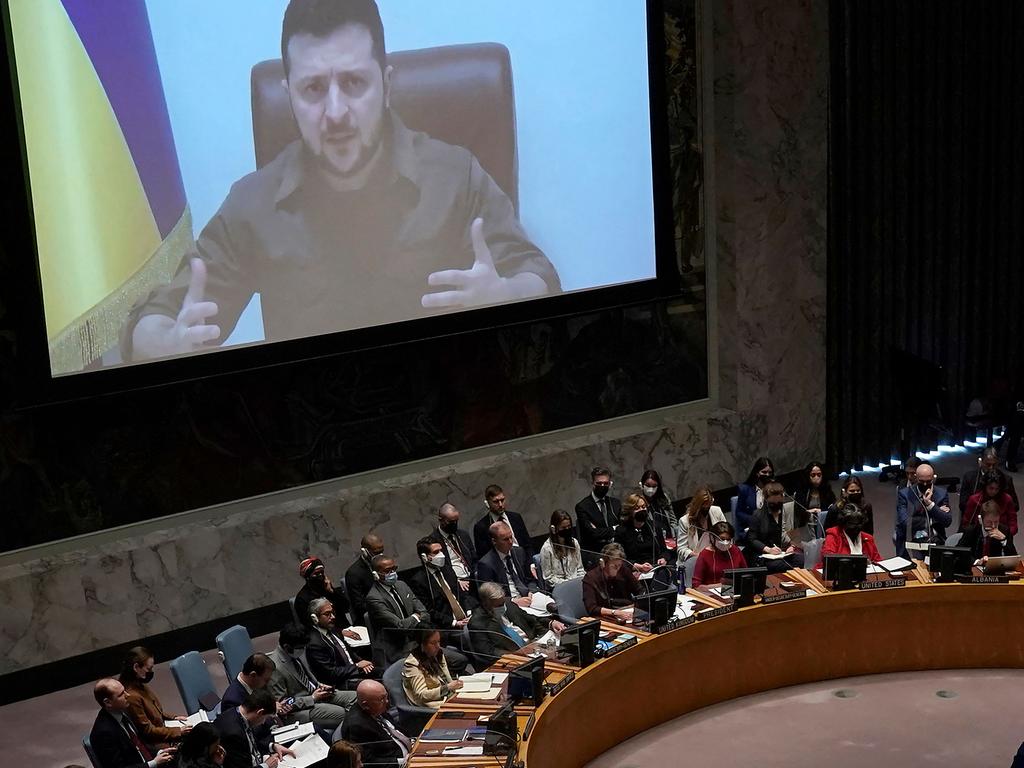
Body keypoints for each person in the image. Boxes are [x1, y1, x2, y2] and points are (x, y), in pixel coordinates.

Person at [125, 0, 560, 362]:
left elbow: (537, 275)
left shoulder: (455, 177)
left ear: (387, 85)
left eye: (354, 83)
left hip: (442, 411)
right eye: (313, 89)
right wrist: (162, 343)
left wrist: (507, 296)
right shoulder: (252, 204)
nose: (335, 113)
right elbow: (157, 319)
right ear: (289, 94)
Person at [266, 623, 354, 731]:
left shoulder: (297, 651)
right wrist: (312, 698)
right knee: (342, 713)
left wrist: (319, 685)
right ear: (287, 647)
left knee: (356, 697)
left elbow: (307, 678)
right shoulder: (274, 667)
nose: (303, 650)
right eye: (300, 647)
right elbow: (282, 705)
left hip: (317, 693)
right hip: (301, 711)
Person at [468, 582, 565, 666]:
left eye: (503, 602)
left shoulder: (508, 604)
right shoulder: (477, 624)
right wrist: (519, 653)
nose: (503, 606)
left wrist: (551, 622)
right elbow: (489, 654)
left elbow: (531, 619)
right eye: (499, 605)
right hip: (516, 660)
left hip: (536, 647)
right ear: (486, 604)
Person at [89, 678, 176, 768]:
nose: (128, 695)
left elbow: (139, 744)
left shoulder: (124, 711)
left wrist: (159, 753)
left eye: (125, 691)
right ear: (108, 702)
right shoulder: (103, 733)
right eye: (121, 694)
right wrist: (153, 763)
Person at [363, 554, 427, 665]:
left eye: (394, 569)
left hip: (417, 640)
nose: (392, 573)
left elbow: (425, 613)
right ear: (376, 575)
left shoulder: (402, 585)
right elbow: (400, 627)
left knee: (456, 660)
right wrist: (416, 616)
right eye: (388, 571)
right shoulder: (374, 598)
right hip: (396, 648)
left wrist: (415, 619)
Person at [118, 646, 188, 746]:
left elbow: (155, 712)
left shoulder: (138, 684)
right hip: (158, 743)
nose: (151, 672)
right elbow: (148, 731)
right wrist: (178, 731)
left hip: (162, 730)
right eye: (149, 668)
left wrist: (174, 717)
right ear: (136, 667)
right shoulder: (131, 696)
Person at [406, 537, 471, 637]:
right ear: (424, 557)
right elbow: (429, 611)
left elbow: (460, 594)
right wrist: (454, 623)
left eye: (441, 550)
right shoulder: (419, 581)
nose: (441, 555)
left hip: (467, 618)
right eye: (436, 552)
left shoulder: (447, 569)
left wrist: (469, 612)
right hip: (448, 627)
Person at [306, 598, 376, 689]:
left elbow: (348, 652)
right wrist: (357, 666)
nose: (333, 617)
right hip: (341, 682)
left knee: (386, 674)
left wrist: (361, 662)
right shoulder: (314, 644)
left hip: (354, 672)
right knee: (377, 687)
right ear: (315, 618)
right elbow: (331, 673)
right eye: (327, 614)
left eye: (332, 612)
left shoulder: (332, 629)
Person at [338, 680, 411, 768]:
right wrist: (401, 762)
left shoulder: (375, 706)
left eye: (386, 696)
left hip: (411, 752)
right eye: (382, 699)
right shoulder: (356, 726)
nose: (387, 701)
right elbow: (369, 762)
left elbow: (396, 730)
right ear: (366, 705)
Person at [213, 689, 293, 768]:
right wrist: (266, 766)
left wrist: (273, 746)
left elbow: (251, 743)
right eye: (265, 718)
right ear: (260, 712)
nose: (263, 722)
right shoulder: (233, 734)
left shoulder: (239, 714)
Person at [895, 462, 952, 560]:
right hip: (912, 540)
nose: (925, 484)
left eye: (928, 481)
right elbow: (905, 523)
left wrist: (930, 505)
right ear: (916, 477)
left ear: (933, 478)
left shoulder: (941, 494)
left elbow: (947, 521)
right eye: (921, 481)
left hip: (935, 540)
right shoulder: (905, 494)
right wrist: (933, 516)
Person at [476, 521, 541, 604]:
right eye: (505, 539)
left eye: (511, 537)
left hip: (529, 597)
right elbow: (490, 596)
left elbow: (530, 579)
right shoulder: (486, 564)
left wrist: (531, 592)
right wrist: (514, 602)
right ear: (494, 541)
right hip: (509, 604)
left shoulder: (519, 552)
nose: (510, 542)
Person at [746, 481, 804, 573]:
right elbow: (751, 539)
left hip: (781, 552)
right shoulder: (757, 515)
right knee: (777, 565)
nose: (777, 505)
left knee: (801, 560)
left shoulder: (786, 511)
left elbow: (793, 533)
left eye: (779, 502)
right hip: (763, 554)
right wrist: (768, 549)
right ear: (766, 499)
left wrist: (792, 546)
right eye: (773, 503)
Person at [428, 502, 478, 608]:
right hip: (455, 581)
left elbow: (474, 558)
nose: (454, 524)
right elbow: (439, 569)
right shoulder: (433, 542)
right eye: (451, 522)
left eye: (456, 521)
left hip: (472, 578)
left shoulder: (463, 535)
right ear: (441, 520)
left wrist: (476, 575)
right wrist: (456, 581)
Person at [401, 625, 463, 709]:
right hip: (433, 705)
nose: (438, 646)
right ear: (422, 645)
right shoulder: (412, 664)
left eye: (438, 642)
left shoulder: (437, 654)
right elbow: (421, 695)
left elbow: (446, 679)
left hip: (449, 696)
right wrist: (448, 687)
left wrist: (455, 688)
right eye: (433, 643)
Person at [472, 484, 534, 561]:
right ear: (487, 503)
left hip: (523, 560)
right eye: (496, 502)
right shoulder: (481, 527)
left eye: (502, 500)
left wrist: (531, 563)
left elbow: (527, 544)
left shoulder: (515, 517)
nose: (500, 505)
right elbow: (484, 555)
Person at [575, 467, 622, 566]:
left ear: (610, 484)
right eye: (599, 483)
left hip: (618, 549)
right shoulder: (582, 507)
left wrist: (601, 531)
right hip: (596, 552)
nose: (602, 486)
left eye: (605, 483)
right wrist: (614, 529)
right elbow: (592, 534)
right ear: (593, 483)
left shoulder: (615, 503)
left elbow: (623, 529)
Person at [582, 543, 640, 622]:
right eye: (614, 566)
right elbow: (592, 608)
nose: (617, 568)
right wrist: (615, 612)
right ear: (603, 563)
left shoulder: (623, 570)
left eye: (619, 565)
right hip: (604, 618)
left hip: (626, 613)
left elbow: (639, 589)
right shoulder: (591, 578)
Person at [221, 654, 291, 719]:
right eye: (266, 680)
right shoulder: (232, 700)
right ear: (253, 675)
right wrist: (271, 711)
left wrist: (277, 708)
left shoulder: (256, 686)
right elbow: (247, 729)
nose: (268, 683)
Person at [294, 556, 354, 632]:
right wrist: (340, 632)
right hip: (326, 635)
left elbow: (345, 606)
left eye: (321, 572)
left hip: (345, 627)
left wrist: (332, 592)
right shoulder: (302, 599)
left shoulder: (327, 588)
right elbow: (310, 625)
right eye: (316, 574)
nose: (320, 576)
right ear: (308, 577)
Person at [614, 493, 670, 571]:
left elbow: (664, 550)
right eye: (637, 508)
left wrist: (663, 558)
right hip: (635, 570)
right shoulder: (621, 531)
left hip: (655, 567)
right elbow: (619, 558)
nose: (642, 510)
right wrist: (636, 566)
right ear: (630, 511)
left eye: (643, 507)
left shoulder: (654, 526)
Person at [958, 447, 1019, 519]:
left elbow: (1015, 506)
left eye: (994, 465)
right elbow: (962, 505)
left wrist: (996, 509)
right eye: (988, 464)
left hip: (999, 520)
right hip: (975, 520)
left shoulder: (1006, 480)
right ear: (980, 462)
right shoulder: (969, 478)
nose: (991, 468)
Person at [676, 485, 726, 565]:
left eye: (708, 507)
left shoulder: (717, 511)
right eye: (704, 508)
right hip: (694, 561)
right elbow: (681, 548)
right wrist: (698, 556)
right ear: (697, 506)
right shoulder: (684, 521)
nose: (706, 511)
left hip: (716, 558)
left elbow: (726, 534)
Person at [818, 506, 882, 566]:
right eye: (852, 524)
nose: (856, 527)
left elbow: (878, 562)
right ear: (843, 523)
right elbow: (828, 558)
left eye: (859, 523)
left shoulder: (868, 538)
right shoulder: (834, 535)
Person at [691, 521, 747, 587]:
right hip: (710, 594)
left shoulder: (735, 550)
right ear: (712, 538)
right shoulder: (705, 554)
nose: (725, 542)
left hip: (734, 593)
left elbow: (745, 574)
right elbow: (696, 584)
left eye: (728, 539)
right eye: (722, 539)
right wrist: (720, 586)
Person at [962, 471, 1018, 536]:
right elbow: (966, 523)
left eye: (997, 489)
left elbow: (1013, 524)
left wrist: (1005, 535)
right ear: (985, 486)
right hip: (977, 537)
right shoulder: (974, 500)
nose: (994, 491)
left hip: (1002, 535)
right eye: (991, 488)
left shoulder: (1007, 499)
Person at [343, 534, 385, 622]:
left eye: (382, 551)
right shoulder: (354, 573)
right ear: (364, 551)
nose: (380, 555)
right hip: (373, 616)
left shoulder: (385, 564)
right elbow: (359, 605)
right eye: (376, 553)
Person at [539, 509, 586, 585]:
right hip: (559, 586)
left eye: (569, 526)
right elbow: (548, 578)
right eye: (563, 528)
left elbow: (580, 569)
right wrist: (567, 584)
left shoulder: (574, 543)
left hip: (577, 582)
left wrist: (580, 581)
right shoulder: (546, 549)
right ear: (554, 529)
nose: (567, 529)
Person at [638, 469, 677, 555]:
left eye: (654, 486)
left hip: (669, 540)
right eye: (648, 485)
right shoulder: (639, 501)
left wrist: (674, 535)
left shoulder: (664, 498)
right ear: (641, 485)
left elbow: (672, 519)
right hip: (652, 543)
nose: (650, 489)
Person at [735, 457, 775, 538]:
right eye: (764, 472)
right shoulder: (744, 489)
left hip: (769, 530)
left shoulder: (774, 489)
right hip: (751, 530)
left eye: (769, 472)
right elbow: (739, 513)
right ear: (757, 473)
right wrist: (753, 519)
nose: (767, 475)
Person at [792, 461, 836, 530]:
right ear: (808, 476)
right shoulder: (802, 490)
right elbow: (798, 510)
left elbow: (832, 507)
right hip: (806, 524)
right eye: (813, 475)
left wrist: (821, 511)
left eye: (819, 475)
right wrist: (813, 511)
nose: (816, 477)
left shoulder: (826, 489)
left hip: (823, 523)